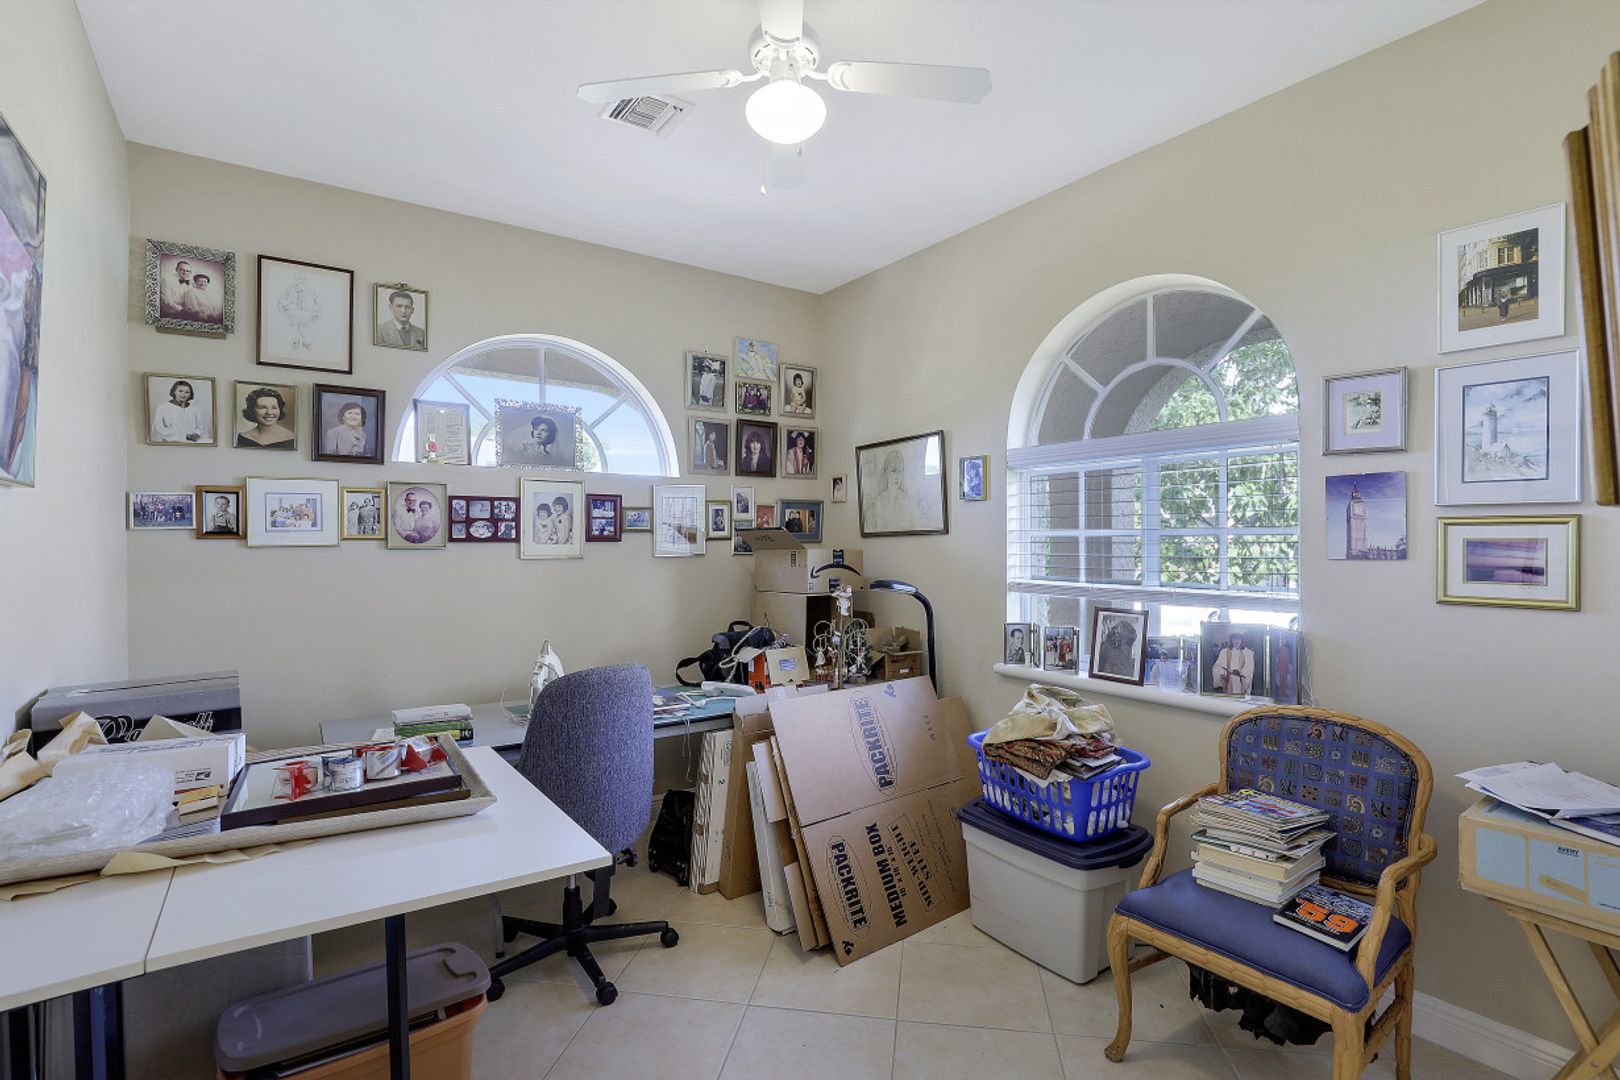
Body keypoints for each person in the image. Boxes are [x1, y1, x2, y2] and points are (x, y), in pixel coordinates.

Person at [151, 379, 210, 443]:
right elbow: (160, 429)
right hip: (172, 442)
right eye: (180, 391)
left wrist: (197, 434)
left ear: (190, 394)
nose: (183, 394)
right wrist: (185, 436)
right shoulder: (163, 408)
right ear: (174, 391)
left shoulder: (195, 408)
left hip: (194, 441)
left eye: (187, 392)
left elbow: (201, 426)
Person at [868, 449, 913, 531]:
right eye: (893, 471)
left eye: (899, 471)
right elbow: (878, 529)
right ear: (886, 473)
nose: (897, 476)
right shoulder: (880, 500)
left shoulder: (907, 499)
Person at [1213, 631, 1255, 695]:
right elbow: (1217, 666)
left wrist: (1240, 673)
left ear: (1242, 640)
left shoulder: (1248, 653)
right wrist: (1223, 673)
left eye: (1238, 639)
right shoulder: (1224, 652)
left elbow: (1250, 668)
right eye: (1234, 638)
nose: (1236, 641)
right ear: (1231, 640)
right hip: (1228, 680)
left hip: (1240, 681)